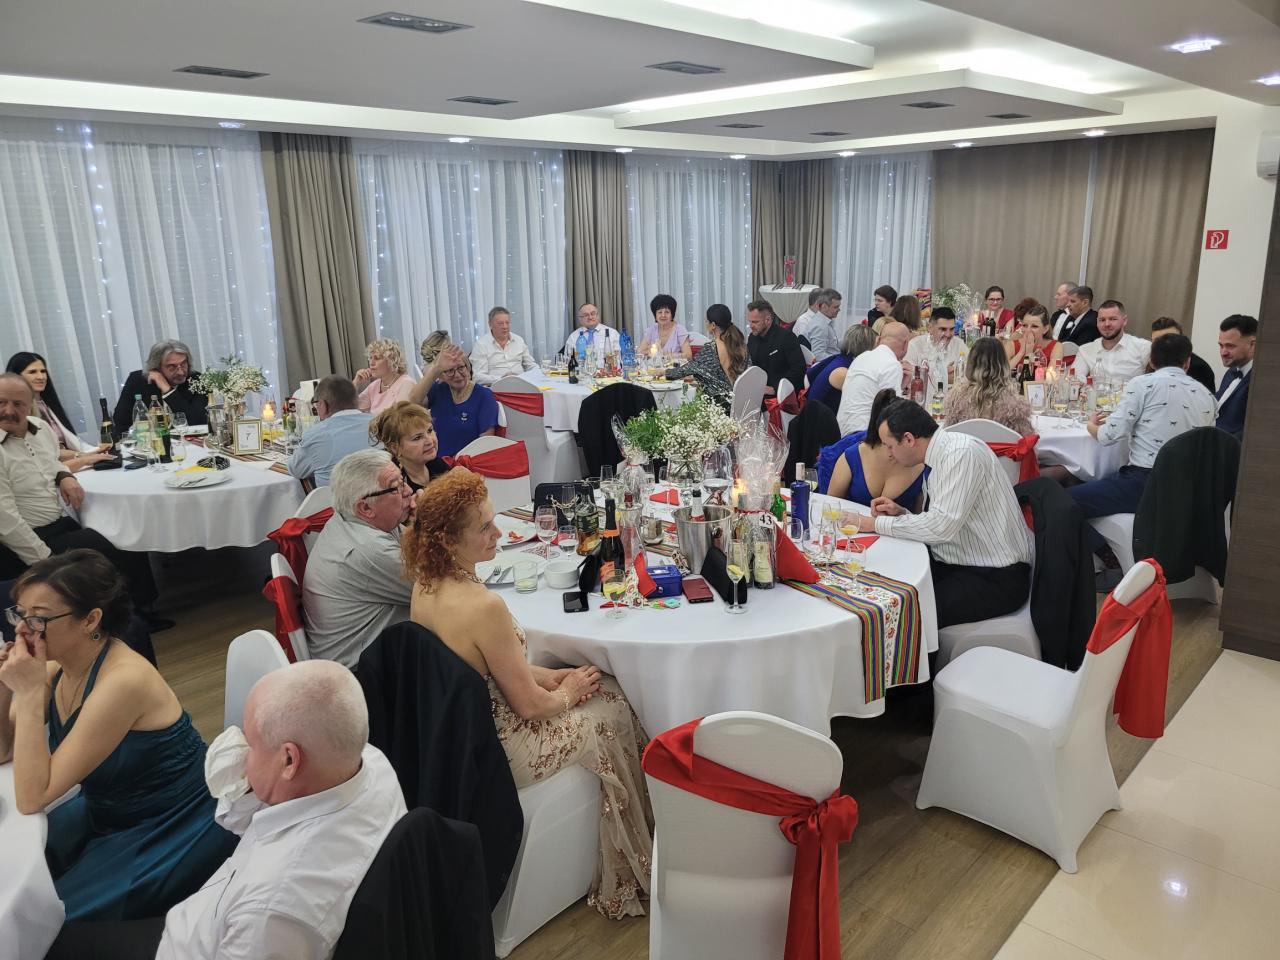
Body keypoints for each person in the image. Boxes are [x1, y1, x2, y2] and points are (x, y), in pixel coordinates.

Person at [404, 470, 652, 919]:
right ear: (448, 540)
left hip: (460, 736)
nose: (498, 533)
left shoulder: (425, 585)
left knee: (589, 682)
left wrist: (551, 676)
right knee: (616, 700)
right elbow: (530, 707)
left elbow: (485, 671)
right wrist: (568, 691)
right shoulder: (484, 606)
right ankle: (633, 858)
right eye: (485, 527)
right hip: (507, 745)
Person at [0, 550, 235, 921]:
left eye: (39, 618)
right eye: (19, 614)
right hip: (107, 810)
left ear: (90, 619)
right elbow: (4, 751)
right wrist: (4, 687)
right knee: (15, 870)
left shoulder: (123, 682)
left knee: (50, 917)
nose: (23, 631)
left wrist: (27, 694)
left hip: (170, 823)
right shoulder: (58, 667)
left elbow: (32, 797)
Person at [150, 661, 407, 959]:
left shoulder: (271, 911)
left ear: (289, 760)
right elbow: (241, 823)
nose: (241, 752)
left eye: (250, 743)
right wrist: (256, 781)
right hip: (208, 913)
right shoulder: (365, 762)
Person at [848, 402, 1033, 628]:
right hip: (961, 562)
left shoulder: (960, 454)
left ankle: (923, 653)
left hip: (996, 577)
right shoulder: (942, 453)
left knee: (903, 612)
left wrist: (875, 524)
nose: (889, 454)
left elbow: (941, 528)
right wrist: (901, 514)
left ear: (908, 439)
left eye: (890, 446)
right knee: (882, 584)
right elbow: (942, 519)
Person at [0, 374, 160, 612]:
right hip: (28, 539)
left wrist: (64, 476)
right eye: (1, 402)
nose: (8, 411)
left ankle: (137, 611)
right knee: (116, 549)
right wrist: (45, 559)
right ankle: (133, 614)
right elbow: (7, 522)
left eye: (17, 404)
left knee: (125, 534)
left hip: (59, 523)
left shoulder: (41, 428)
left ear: (30, 403)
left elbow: (50, 463)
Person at [1069, 334, 1216, 552]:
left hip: (1145, 483)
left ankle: (1103, 553)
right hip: (1189, 487)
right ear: (1187, 363)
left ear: (1152, 362)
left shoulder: (1142, 384)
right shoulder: (1207, 395)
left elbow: (1109, 436)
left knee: (1064, 501)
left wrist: (1091, 426)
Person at [302, 450, 415, 668]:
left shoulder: (354, 519)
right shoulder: (369, 549)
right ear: (365, 507)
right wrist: (431, 525)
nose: (409, 491)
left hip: (373, 649)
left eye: (403, 481)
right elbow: (442, 587)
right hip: (360, 673)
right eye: (396, 488)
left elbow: (415, 553)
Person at [823, 390, 927, 510]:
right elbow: (829, 508)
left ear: (908, 438)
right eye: (887, 445)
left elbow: (922, 518)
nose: (891, 454)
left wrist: (901, 513)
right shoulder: (852, 457)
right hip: (852, 522)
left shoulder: (921, 466)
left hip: (899, 523)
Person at [6, 352, 110, 468]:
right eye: (32, 372)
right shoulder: (15, 414)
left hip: (70, 466)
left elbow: (59, 448)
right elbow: (44, 456)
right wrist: (83, 457)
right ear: (16, 377)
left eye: (43, 371)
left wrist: (89, 453)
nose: (41, 377)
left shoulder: (47, 404)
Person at [407, 343, 499, 459]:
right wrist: (436, 369)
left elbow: (486, 443)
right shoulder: (439, 389)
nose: (457, 375)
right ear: (441, 376)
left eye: (461, 368)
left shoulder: (484, 396)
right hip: (437, 461)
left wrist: (458, 462)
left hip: (468, 462)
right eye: (450, 370)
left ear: (468, 368)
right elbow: (413, 401)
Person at [286, 375, 373, 488]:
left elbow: (296, 470)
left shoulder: (317, 434)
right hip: (382, 495)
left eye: (316, 404)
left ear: (323, 405)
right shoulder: (379, 423)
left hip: (338, 498)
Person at [111, 339, 208, 435]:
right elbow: (120, 421)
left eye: (183, 364)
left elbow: (197, 423)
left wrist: (167, 390)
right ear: (157, 368)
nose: (181, 372)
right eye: (172, 367)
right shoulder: (137, 381)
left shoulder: (196, 381)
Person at [942, 338, 1034, 436]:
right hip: (999, 446)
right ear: (1003, 365)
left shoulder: (955, 400)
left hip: (966, 445)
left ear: (971, 364)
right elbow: (1027, 438)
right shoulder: (1014, 405)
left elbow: (948, 434)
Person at [663, 303, 747, 410]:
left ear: (713, 325)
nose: (705, 324)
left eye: (706, 321)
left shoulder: (711, 348)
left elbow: (684, 370)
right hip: (743, 404)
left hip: (720, 406)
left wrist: (663, 372)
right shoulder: (741, 345)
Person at [837, 320, 912, 436]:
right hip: (863, 434)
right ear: (906, 344)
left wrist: (901, 386)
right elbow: (893, 413)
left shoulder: (861, 357)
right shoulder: (891, 364)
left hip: (843, 430)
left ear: (879, 339)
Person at [369, 401, 450, 496]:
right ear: (395, 448)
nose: (429, 441)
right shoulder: (392, 486)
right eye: (417, 438)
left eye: (430, 430)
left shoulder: (436, 464)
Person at [1071, 300, 1151, 385]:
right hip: (1096, 393)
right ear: (1097, 322)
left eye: (1113, 319)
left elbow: (1155, 380)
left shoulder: (1143, 347)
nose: (1107, 324)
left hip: (1130, 393)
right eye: (1102, 320)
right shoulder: (1086, 350)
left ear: (1124, 321)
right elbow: (1075, 378)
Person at [807, 325, 877, 414]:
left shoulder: (842, 359)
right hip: (821, 420)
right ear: (866, 348)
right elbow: (865, 398)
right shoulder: (842, 372)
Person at [745, 299, 807, 398]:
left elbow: (799, 369)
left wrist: (775, 388)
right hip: (760, 390)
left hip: (783, 394)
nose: (751, 326)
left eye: (755, 322)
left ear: (768, 320)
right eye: (750, 322)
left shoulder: (786, 337)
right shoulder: (753, 338)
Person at [470, 307, 537, 386]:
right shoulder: (481, 345)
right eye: (500, 323)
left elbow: (530, 365)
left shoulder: (519, 340)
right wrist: (502, 379)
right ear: (490, 324)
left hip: (521, 385)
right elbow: (478, 377)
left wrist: (539, 372)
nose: (505, 327)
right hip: (495, 387)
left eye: (507, 323)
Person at [1216, 314, 1257, 440]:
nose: (1223, 352)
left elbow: (1254, 428)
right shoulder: (1231, 372)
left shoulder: (1261, 381)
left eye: (1230, 346)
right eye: (1221, 345)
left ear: (1252, 345)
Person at [1149, 318, 1215, 394]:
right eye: (1157, 342)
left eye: (1171, 340)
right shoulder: (1151, 362)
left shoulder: (1200, 369)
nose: (1165, 345)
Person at [353, 339, 416, 415]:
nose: (371, 363)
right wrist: (356, 382)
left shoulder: (406, 383)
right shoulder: (374, 386)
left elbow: (399, 417)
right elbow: (349, 408)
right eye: (370, 358)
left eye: (377, 358)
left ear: (391, 361)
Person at [906, 307, 968, 381]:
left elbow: (970, 373)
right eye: (943, 329)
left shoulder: (958, 344)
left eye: (951, 329)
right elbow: (908, 379)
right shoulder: (915, 346)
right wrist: (943, 378)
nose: (948, 334)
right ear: (930, 328)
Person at [1005, 305, 1064, 370]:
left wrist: (1029, 354)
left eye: (1034, 326)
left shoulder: (1056, 346)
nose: (1028, 330)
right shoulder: (1011, 345)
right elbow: (1003, 372)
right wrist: (1021, 353)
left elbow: (1051, 373)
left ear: (1045, 329)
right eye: (1025, 325)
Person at [638, 294, 693, 360]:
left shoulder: (680, 330)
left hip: (674, 366)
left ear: (672, 314)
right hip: (654, 366)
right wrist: (650, 352)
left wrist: (662, 355)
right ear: (655, 315)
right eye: (660, 312)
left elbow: (688, 355)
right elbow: (639, 352)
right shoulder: (651, 330)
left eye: (667, 312)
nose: (663, 315)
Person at [793, 288, 842, 362]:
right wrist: (839, 358)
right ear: (824, 307)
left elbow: (832, 345)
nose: (839, 310)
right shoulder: (820, 326)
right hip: (828, 364)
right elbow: (818, 356)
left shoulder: (821, 320)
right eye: (835, 307)